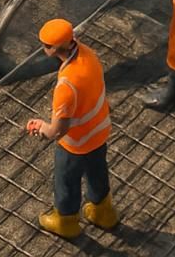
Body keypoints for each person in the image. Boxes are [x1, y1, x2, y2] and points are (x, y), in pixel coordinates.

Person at [26, 19, 119, 239]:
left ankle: (65, 221)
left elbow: (59, 130)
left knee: (66, 180)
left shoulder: (66, 86)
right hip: (100, 132)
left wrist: (41, 127)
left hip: (76, 144)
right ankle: (103, 212)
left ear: (52, 49)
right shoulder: (88, 54)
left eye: (45, 45)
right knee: (97, 172)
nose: (43, 48)